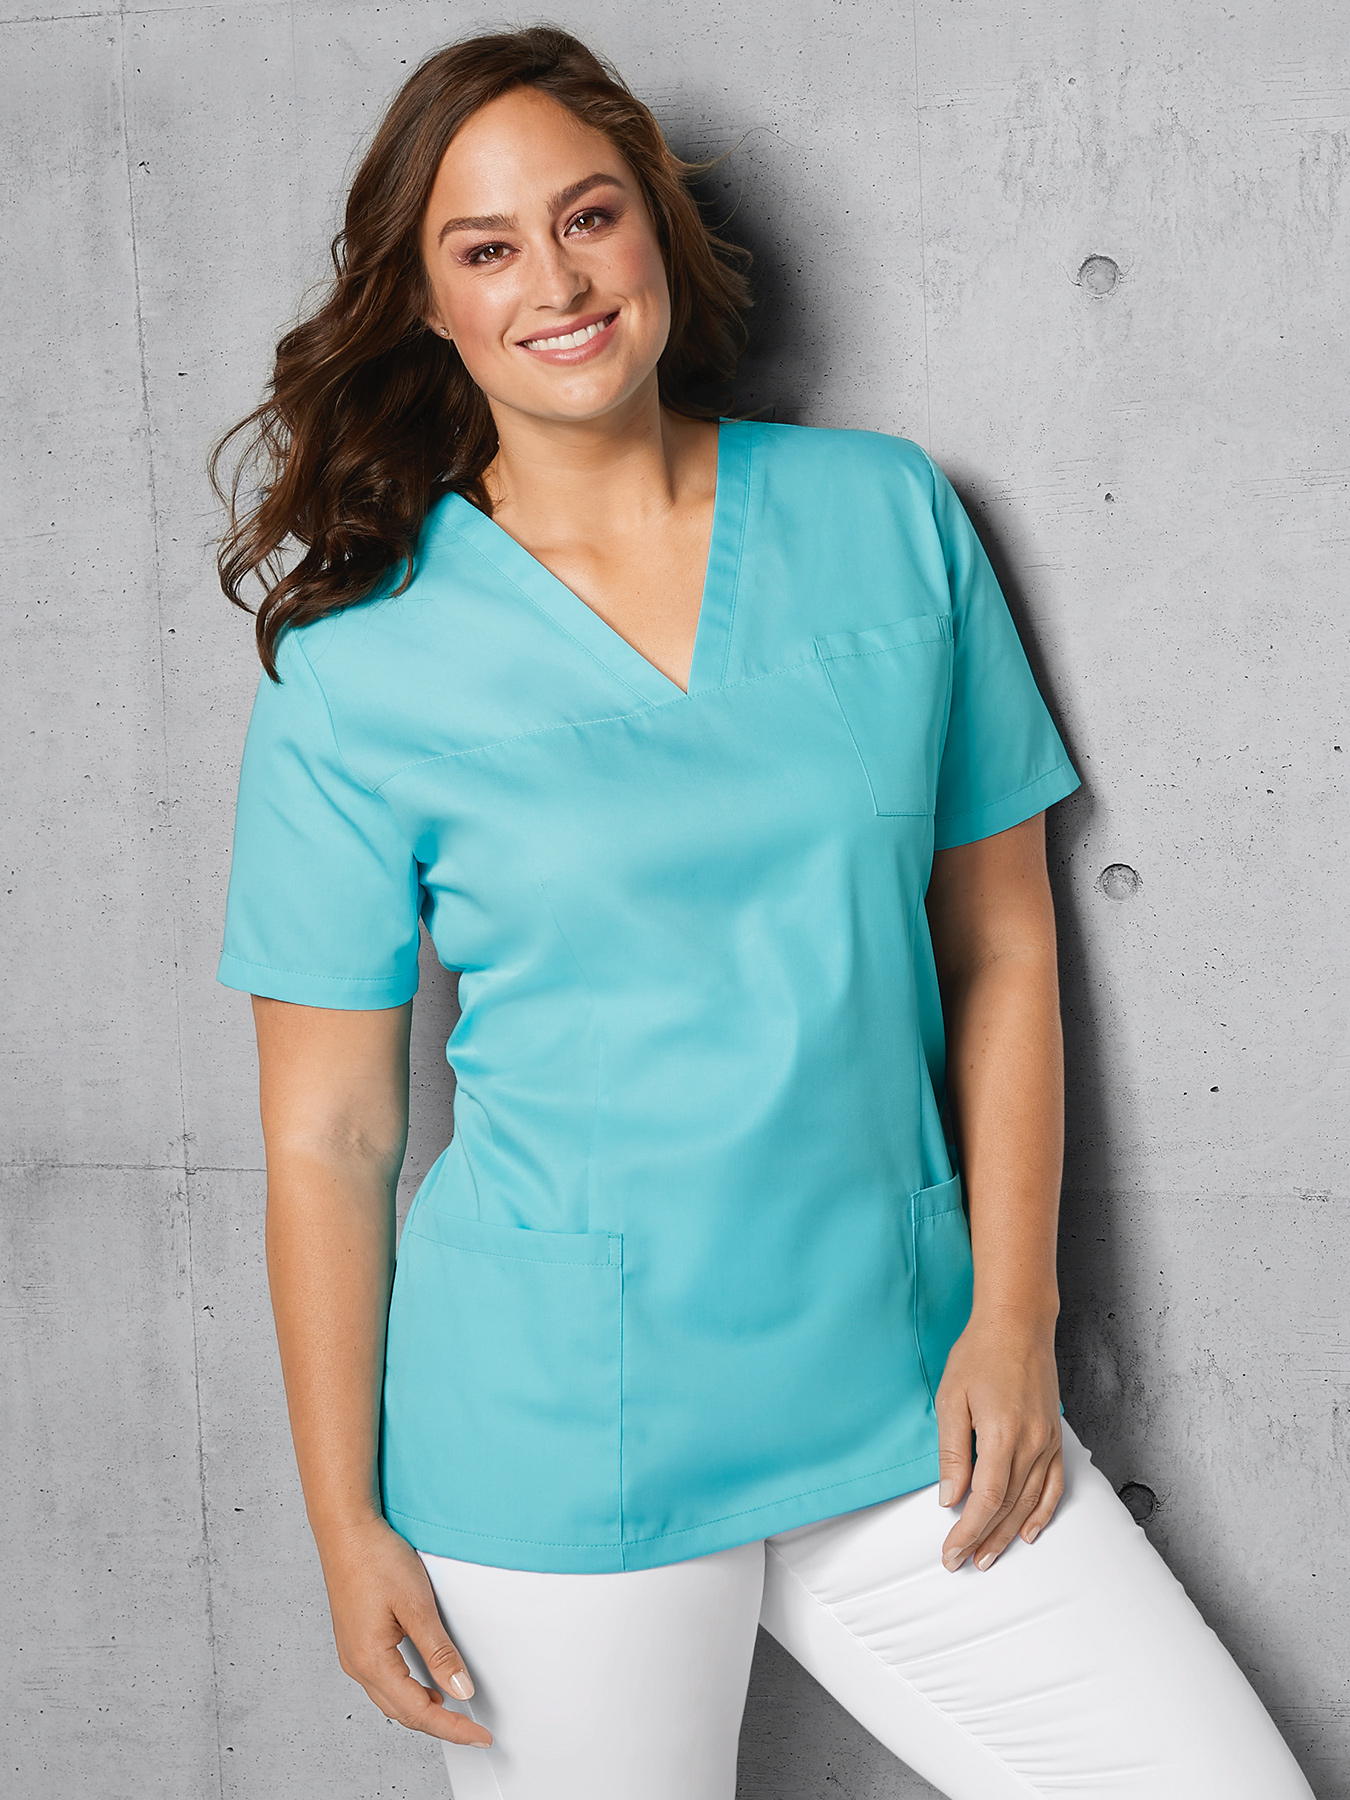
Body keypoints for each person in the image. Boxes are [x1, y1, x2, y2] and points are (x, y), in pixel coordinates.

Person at [211, 25, 1315, 1800]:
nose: (557, 281)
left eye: (588, 216)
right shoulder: (360, 669)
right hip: (562, 1449)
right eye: (486, 247)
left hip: (910, 1393)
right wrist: (346, 1520)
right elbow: (330, 1136)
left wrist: (1014, 1318)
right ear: (424, 303)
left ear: (655, 226)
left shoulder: (884, 518)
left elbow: (1000, 947)